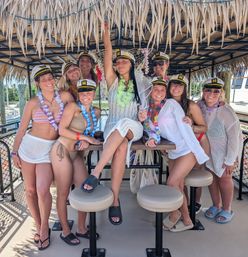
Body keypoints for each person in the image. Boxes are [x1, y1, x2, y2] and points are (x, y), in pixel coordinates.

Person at [81, 22, 145, 225]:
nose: (120, 64)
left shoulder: (140, 83)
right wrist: (106, 35)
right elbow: (107, 55)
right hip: (113, 126)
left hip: (133, 126)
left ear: (132, 65)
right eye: (118, 62)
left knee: (126, 124)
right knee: (121, 148)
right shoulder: (112, 81)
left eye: (125, 61)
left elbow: (159, 94)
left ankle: (96, 171)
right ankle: (115, 200)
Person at [11, 65, 73, 250]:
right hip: (29, 148)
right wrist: (14, 152)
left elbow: (79, 113)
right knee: (30, 190)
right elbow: (22, 129)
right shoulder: (32, 103)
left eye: (50, 77)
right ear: (37, 83)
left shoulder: (64, 96)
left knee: (42, 189)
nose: (48, 81)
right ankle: (39, 226)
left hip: (49, 150)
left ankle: (45, 227)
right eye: (43, 79)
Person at [143, 76, 209, 232]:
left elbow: (185, 127)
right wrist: (152, 139)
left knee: (171, 183)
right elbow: (154, 131)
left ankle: (175, 214)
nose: (158, 92)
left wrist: (196, 149)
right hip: (173, 151)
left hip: (186, 149)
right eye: (155, 89)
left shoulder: (172, 104)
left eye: (161, 89)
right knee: (178, 185)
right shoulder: (150, 109)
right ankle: (186, 220)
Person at [50, 79, 101, 245]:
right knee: (63, 192)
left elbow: (90, 132)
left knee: (84, 189)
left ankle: (81, 228)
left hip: (77, 154)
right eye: (82, 92)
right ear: (78, 94)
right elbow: (62, 129)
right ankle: (65, 231)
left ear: (94, 93)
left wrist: (85, 141)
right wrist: (84, 137)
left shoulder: (96, 111)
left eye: (89, 92)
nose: (85, 95)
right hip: (62, 151)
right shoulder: (72, 107)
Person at [198, 77, 243, 224]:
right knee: (212, 180)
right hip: (209, 152)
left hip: (224, 153)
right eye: (208, 90)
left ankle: (227, 208)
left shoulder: (227, 111)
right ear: (203, 91)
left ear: (221, 93)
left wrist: (230, 160)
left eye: (216, 91)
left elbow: (234, 138)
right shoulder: (200, 106)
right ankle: (216, 205)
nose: (211, 94)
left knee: (224, 180)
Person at [167, 74, 210, 213]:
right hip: (175, 148)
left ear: (185, 88)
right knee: (179, 182)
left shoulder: (190, 105)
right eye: (174, 84)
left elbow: (204, 127)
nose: (177, 87)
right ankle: (183, 212)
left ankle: (194, 205)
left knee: (184, 179)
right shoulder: (165, 103)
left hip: (193, 146)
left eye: (180, 85)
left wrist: (191, 126)